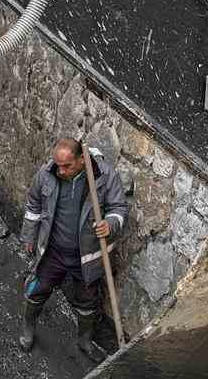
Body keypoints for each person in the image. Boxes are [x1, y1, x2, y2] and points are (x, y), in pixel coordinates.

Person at [19, 137, 128, 360]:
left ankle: (85, 340)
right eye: (58, 165)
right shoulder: (47, 174)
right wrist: (29, 235)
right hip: (54, 251)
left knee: (87, 301)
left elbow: (119, 207)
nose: (61, 171)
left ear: (81, 159)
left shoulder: (105, 177)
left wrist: (111, 223)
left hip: (86, 256)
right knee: (37, 289)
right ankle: (28, 327)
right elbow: (34, 204)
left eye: (66, 166)